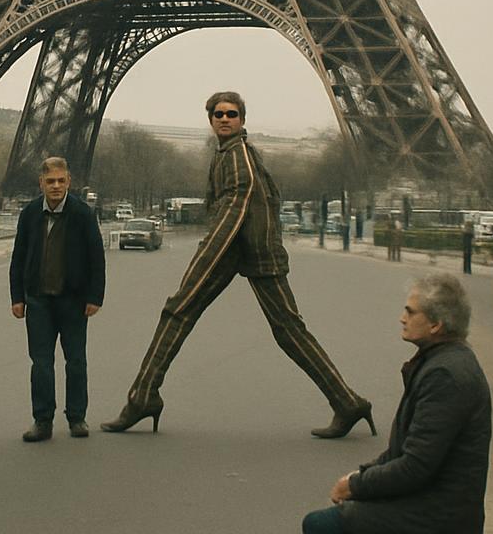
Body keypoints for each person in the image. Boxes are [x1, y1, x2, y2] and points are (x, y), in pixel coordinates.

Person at [102, 92, 373, 438]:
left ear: (242, 119)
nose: (225, 119)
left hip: (235, 248)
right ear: (211, 120)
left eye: (231, 114)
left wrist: (205, 256)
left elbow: (236, 205)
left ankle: (143, 397)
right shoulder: (232, 153)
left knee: (179, 312)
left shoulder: (236, 154)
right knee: (287, 330)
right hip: (254, 248)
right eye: (218, 114)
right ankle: (346, 401)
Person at [302, 274, 491, 534]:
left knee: (320, 525)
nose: (402, 318)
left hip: (439, 516)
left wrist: (354, 486)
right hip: (434, 502)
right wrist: (359, 476)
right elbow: (401, 452)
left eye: (410, 312)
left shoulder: (444, 375)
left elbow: (415, 467)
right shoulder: (443, 361)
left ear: (436, 324)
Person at [9, 156, 105, 441]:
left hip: (73, 300)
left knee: (76, 361)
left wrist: (95, 297)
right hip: (39, 300)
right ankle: (43, 420)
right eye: (50, 181)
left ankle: (77, 417)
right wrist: (17, 297)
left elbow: (96, 258)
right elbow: (19, 256)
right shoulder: (29, 214)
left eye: (61, 181)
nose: (56, 186)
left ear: (69, 182)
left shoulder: (83, 214)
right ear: (41, 183)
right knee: (40, 363)